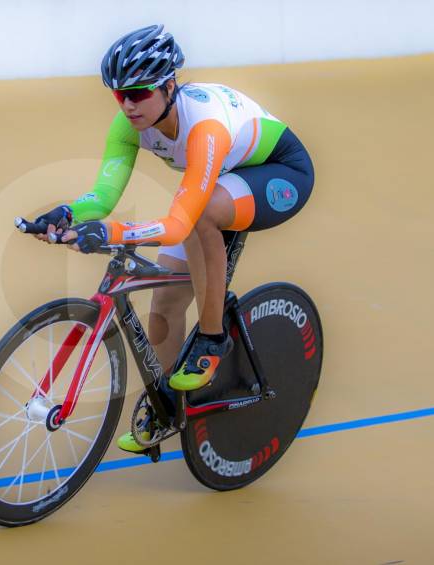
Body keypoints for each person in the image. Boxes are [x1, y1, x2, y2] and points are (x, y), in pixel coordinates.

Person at [32, 24, 314, 453]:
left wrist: (111, 234)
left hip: (279, 171)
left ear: (168, 85)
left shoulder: (205, 129)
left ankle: (213, 337)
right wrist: (69, 213)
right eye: (119, 95)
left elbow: (180, 223)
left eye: (140, 93)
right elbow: (104, 196)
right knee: (164, 306)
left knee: (201, 216)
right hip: (220, 180)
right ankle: (170, 407)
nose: (128, 105)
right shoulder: (128, 125)